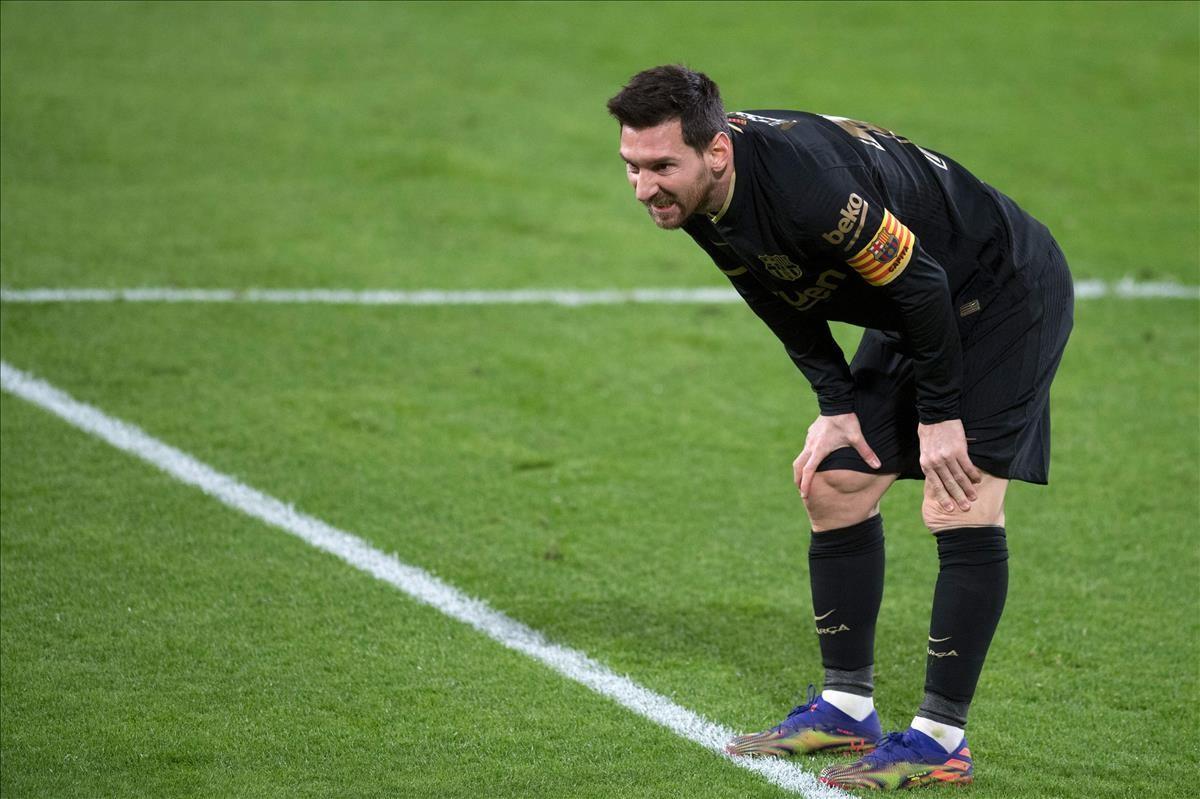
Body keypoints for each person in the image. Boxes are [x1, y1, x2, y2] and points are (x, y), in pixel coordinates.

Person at [606, 65, 1073, 791]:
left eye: (661, 166)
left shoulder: (805, 185)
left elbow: (920, 280)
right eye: (632, 167)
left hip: (997, 289)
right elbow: (765, 287)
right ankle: (848, 706)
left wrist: (942, 417)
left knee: (958, 495)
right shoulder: (694, 194)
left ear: (717, 150)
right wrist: (835, 402)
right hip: (912, 298)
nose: (644, 187)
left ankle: (940, 738)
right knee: (835, 483)